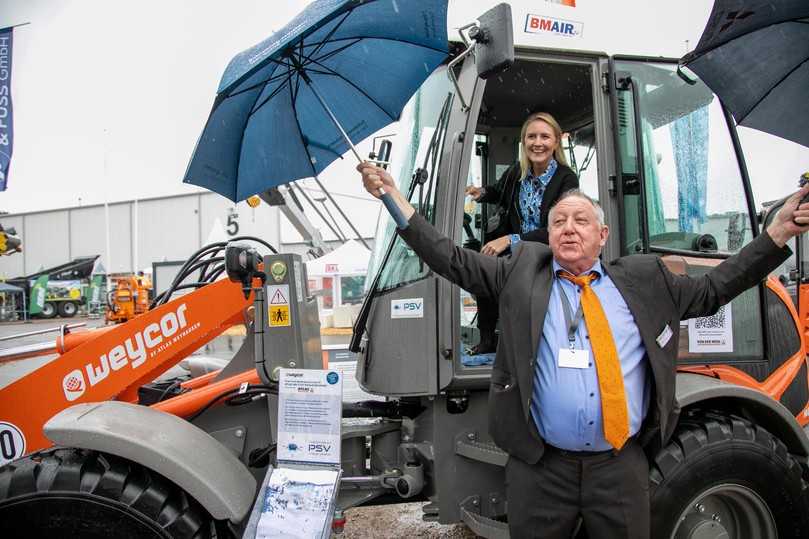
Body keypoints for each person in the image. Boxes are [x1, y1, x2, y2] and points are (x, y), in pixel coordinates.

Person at [358, 161, 808, 539]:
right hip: (541, 470)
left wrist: (777, 235)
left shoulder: (646, 281)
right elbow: (451, 259)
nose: (568, 229)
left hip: (620, 468)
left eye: (580, 220)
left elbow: (716, 287)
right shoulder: (519, 274)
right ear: (547, 234)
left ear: (602, 234)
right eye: (558, 221)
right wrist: (394, 200)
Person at [465, 112, 579, 354]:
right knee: (484, 267)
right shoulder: (517, 172)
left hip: (548, 250)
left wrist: (509, 239)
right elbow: (498, 191)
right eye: (532, 136)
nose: (538, 143)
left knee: (519, 284)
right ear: (524, 141)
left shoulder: (566, 179)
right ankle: (488, 340)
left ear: (556, 142)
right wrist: (481, 192)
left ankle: (525, 346)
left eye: (545, 137)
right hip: (517, 249)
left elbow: (559, 227)